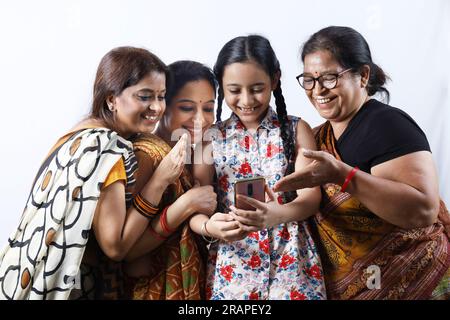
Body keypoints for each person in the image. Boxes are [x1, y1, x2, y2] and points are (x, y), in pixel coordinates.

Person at [273, 26, 450, 300]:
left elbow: (423, 210)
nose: (318, 90)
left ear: (363, 75)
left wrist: (344, 176)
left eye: (330, 78)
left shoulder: (388, 125)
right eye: (309, 79)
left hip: (417, 276)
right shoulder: (318, 137)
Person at [0, 46, 188, 300]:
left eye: (161, 96)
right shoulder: (105, 149)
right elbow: (116, 246)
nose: (156, 107)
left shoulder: (75, 136)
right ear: (111, 99)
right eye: (144, 96)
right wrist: (159, 181)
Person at [190, 35, 326, 300]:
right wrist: (209, 227)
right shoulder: (210, 138)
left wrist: (278, 215)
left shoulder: (297, 130)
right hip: (233, 265)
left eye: (256, 88)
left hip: (292, 262)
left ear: (275, 80)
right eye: (234, 90)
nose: (246, 99)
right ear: (221, 86)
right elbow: (195, 209)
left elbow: (312, 199)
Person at [122, 60, 218, 299]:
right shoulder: (147, 155)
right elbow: (127, 251)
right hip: (148, 290)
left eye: (208, 108)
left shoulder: (196, 155)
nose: (201, 119)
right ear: (163, 106)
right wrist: (184, 206)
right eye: (187, 108)